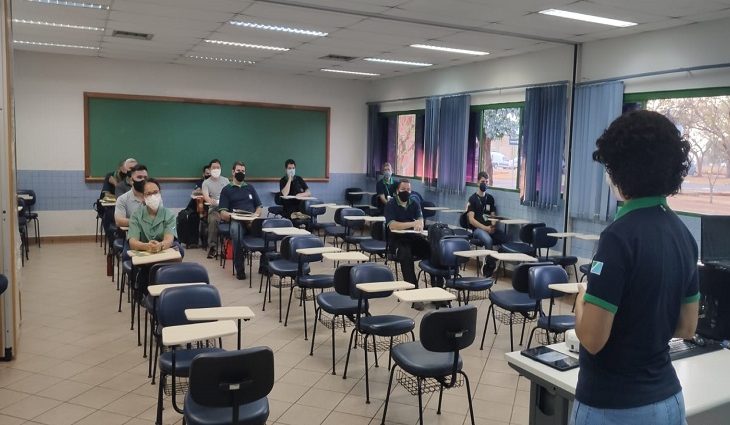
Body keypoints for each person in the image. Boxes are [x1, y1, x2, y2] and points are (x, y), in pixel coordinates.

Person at [571, 110, 699, 425]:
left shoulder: (618, 238)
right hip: (669, 400)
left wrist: (581, 302)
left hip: (615, 406)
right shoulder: (683, 235)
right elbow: (687, 327)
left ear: (620, 169)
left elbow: (592, 339)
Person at [384, 179, 431, 309]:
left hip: (412, 238)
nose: (406, 192)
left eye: (408, 190)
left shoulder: (414, 203)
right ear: (397, 191)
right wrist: (412, 223)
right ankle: (414, 294)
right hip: (396, 240)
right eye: (403, 189)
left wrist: (419, 224)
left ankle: (437, 288)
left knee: (431, 249)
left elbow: (420, 220)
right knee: (406, 255)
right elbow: (393, 225)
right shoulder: (391, 204)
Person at [126, 178, 180, 287]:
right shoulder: (136, 216)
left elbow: (169, 239)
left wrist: (160, 245)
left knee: (176, 257)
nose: (153, 196)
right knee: (146, 272)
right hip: (144, 253)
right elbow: (133, 242)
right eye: (148, 194)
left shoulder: (169, 214)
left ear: (160, 193)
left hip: (164, 252)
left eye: (155, 192)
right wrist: (147, 246)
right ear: (143, 197)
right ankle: (145, 292)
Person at [219, 161, 263, 280]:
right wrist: (233, 215)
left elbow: (259, 206)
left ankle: (264, 266)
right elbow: (222, 213)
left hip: (252, 220)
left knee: (268, 231)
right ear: (233, 172)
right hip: (237, 221)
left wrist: (256, 215)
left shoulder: (250, 188)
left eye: (243, 171)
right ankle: (240, 269)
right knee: (236, 231)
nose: (241, 173)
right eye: (238, 171)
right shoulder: (226, 190)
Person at [467, 171, 509, 249]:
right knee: (488, 240)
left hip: (489, 228)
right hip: (478, 230)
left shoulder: (490, 198)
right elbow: (471, 220)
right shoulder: (472, 199)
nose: (485, 184)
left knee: (505, 239)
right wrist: (485, 228)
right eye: (483, 182)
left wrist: (492, 226)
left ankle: (496, 255)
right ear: (478, 183)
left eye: (486, 182)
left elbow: (493, 216)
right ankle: (489, 257)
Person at [202, 159, 230, 258]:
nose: (216, 169)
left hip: (226, 209)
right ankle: (212, 247)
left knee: (235, 220)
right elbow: (206, 196)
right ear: (210, 169)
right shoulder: (206, 183)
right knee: (213, 220)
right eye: (214, 167)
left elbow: (230, 194)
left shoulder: (226, 180)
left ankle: (230, 247)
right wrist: (211, 200)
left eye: (218, 167)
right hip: (214, 209)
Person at [114, 164, 148, 228]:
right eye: (139, 177)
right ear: (131, 180)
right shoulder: (122, 199)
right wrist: (141, 222)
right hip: (132, 232)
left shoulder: (154, 196)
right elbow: (119, 221)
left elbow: (160, 218)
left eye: (145, 177)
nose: (143, 180)